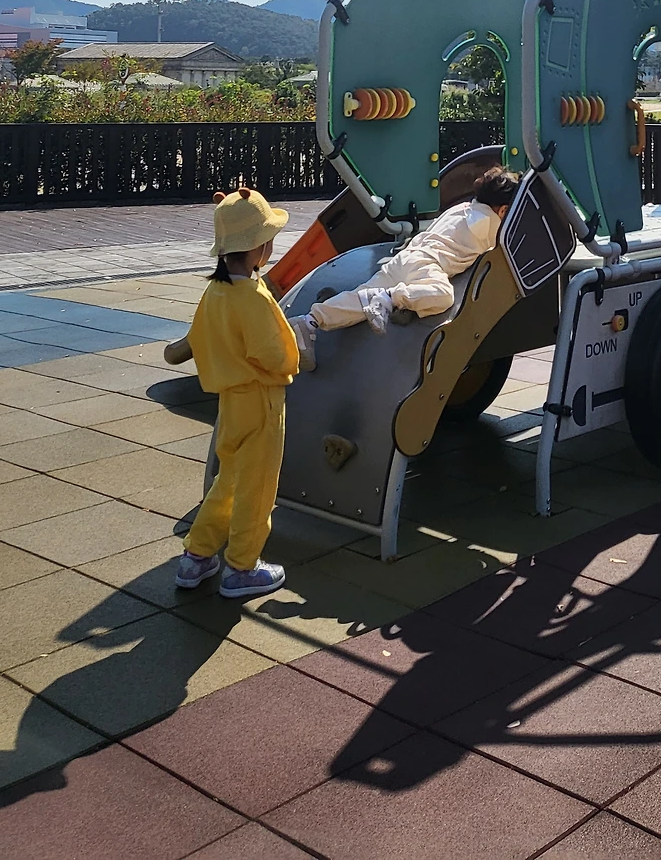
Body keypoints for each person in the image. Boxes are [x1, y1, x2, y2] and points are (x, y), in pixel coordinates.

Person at [175, 187, 298, 600]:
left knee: (228, 479)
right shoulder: (252, 296)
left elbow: (198, 338)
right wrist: (296, 355)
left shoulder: (216, 292)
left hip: (230, 401)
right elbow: (274, 354)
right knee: (257, 487)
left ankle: (196, 554)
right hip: (261, 400)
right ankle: (242, 567)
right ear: (260, 247)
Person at [288, 166, 520, 369]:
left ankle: (309, 322)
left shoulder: (461, 208)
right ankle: (389, 298)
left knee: (359, 298)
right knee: (443, 296)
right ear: (503, 210)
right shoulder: (489, 224)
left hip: (405, 259)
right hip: (427, 264)